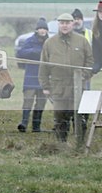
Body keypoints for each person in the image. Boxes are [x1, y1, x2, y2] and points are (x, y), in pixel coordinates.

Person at [39, 12, 93, 143]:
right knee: (59, 117)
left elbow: (90, 62)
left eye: (67, 23)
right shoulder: (49, 43)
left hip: (78, 87)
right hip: (58, 87)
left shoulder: (82, 41)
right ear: (58, 24)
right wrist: (45, 87)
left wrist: (83, 76)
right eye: (62, 23)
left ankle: (80, 144)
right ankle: (61, 144)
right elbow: (43, 66)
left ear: (72, 24)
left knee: (80, 117)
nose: (64, 26)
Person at [15, 17, 48, 132]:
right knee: (28, 100)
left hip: (45, 78)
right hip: (30, 76)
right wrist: (33, 52)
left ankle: (36, 127)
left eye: (44, 28)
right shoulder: (29, 41)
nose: (42, 31)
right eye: (40, 28)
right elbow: (20, 53)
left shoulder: (50, 42)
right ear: (37, 30)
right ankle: (24, 123)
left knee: (41, 102)